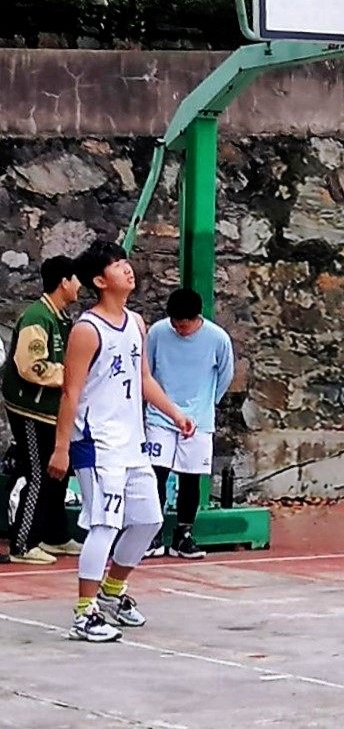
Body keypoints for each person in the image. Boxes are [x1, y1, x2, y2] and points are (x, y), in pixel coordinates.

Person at [49, 240, 194, 643]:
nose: (128, 269)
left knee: (148, 519)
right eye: (117, 266)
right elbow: (70, 392)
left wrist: (175, 413)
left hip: (132, 442)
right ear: (100, 281)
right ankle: (84, 613)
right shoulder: (87, 330)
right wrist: (61, 447)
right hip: (97, 443)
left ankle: (112, 592)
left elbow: (143, 377)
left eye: (126, 262)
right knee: (104, 524)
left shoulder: (136, 323)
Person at [3, 255, 84, 565]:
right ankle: (22, 544)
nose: (79, 286)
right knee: (37, 473)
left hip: (51, 410)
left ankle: (56, 535)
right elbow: (30, 366)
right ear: (64, 282)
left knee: (58, 474)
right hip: (30, 409)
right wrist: (69, 375)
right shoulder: (37, 317)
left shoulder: (59, 317)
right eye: (75, 279)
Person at [143, 287, 235, 560]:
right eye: (175, 324)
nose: (179, 330)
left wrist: (206, 404)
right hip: (160, 415)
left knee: (190, 477)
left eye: (184, 325)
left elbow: (226, 375)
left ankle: (183, 534)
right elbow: (147, 371)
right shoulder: (157, 333)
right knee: (155, 473)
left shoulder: (218, 339)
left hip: (198, 419)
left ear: (196, 318)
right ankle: (152, 532)